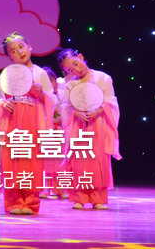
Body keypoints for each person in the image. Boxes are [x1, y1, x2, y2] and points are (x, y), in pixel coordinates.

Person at [0, 32, 55, 215]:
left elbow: (53, 100)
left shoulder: (39, 73)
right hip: (12, 121)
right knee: (11, 160)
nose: (19, 52)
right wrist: (3, 103)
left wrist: (42, 94)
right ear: (9, 57)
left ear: (29, 47)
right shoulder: (6, 74)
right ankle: (13, 202)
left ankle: (30, 203)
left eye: (21, 47)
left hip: (32, 121)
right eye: (13, 51)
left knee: (31, 160)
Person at [57, 48, 121, 210]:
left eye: (75, 64)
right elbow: (66, 107)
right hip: (79, 126)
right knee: (79, 160)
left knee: (98, 160)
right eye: (70, 70)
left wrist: (99, 110)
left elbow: (111, 101)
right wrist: (76, 113)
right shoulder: (71, 85)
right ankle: (79, 197)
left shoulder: (103, 78)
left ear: (81, 57)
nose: (75, 70)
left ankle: (98, 197)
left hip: (98, 123)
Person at [40, 66, 68, 199]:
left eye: (52, 81)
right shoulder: (42, 98)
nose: (52, 85)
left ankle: (60, 189)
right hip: (48, 131)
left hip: (61, 131)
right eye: (47, 83)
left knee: (61, 161)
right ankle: (45, 189)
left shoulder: (63, 94)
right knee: (47, 161)